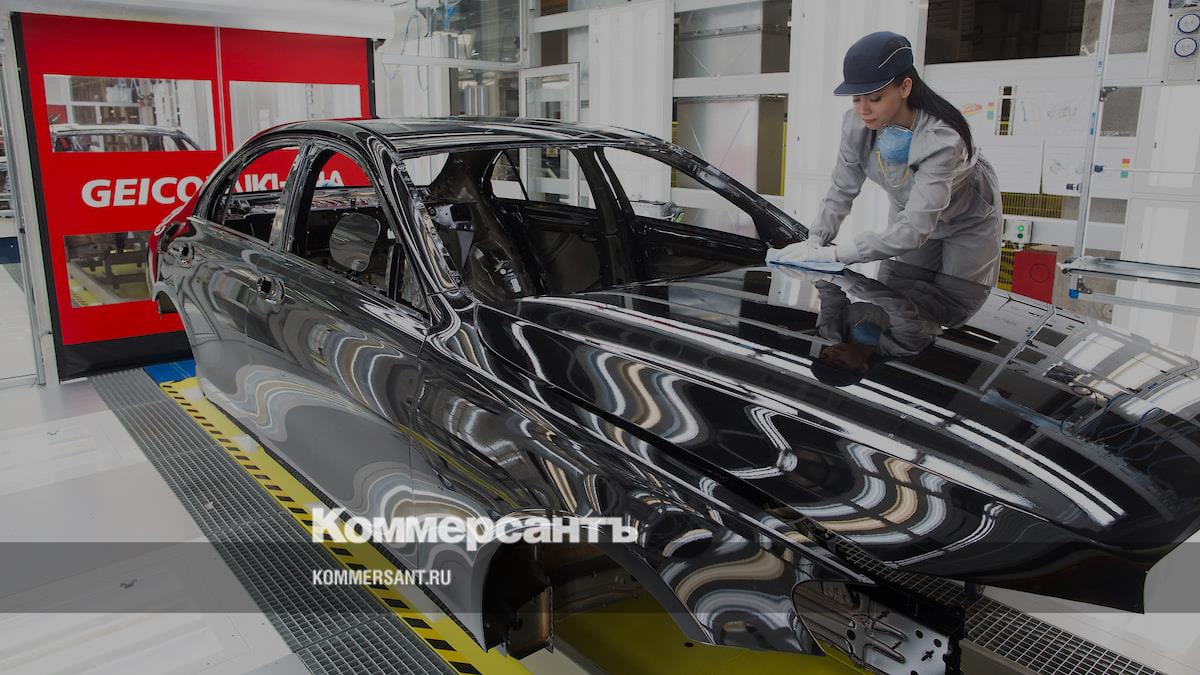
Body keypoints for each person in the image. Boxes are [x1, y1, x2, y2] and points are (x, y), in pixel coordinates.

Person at [772, 31, 1002, 285]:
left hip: (966, 219)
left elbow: (916, 228)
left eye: (875, 98)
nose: (863, 110)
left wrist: (835, 255)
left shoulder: (941, 139)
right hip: (908, 213)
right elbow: (841, 189)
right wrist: (816, 239)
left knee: (955, 294)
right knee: (901, 286)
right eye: (856, 99)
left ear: (905, 87)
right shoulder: (856, 126)